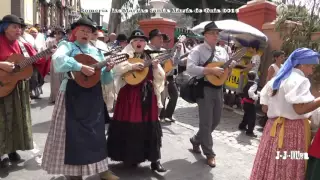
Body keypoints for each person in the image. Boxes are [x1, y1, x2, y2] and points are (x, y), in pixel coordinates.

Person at [41, 17, 119, 180]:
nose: (86, 33)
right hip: (71, 94)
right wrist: (79, 66)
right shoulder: (67, 46)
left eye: (89, 31)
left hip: (93, 96)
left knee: (95, 134)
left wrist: (107, 70)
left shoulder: (97, 51)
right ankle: (72, 173)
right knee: (72, 135)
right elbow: (58, 61)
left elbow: (105, 80)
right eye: (82, 30)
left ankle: (102, 168)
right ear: (75, 32)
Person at [250, 48, 320, 180]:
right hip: (292, 132)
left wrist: (280, 108)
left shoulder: (278, 78)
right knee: (288, 162)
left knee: (271, 161)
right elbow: (299, 109)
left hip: (272, 130)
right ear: (302, 65)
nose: (311, 71)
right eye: (311, 67)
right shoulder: (300, 80)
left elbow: (265, 108)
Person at [107, 29, 167, 172]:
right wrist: (131, 66)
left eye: (142, 40)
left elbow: (160, 76)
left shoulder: (150, 55)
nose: (139, 43)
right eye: (136, 40)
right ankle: (131, 156)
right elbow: (116, 70)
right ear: (132, 43)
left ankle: (155, 160)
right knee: (131, 125)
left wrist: (156, 66)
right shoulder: (124, 55)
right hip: (129, 95)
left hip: (148, 94)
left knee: (151, 126)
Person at [0, 14, 46, 168]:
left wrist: (47, 54)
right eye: (14, 26)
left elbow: (36, 59)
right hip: (2, 86)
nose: (18, 30)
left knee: (16, 120)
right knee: (2, 121)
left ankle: (12, 149)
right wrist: (2, 64)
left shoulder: (23, 44)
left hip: (18, 88)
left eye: (20, 27)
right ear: (5, 27)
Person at [187, 21, 234, 167]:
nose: (216, 35)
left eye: (217, 33)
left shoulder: (222, 51)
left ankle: (196, 139)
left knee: (216, 120)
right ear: (205, 35)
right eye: (213, 33)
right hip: (204, 88)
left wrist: (230, 67)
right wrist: (209, 70)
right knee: (206, 122)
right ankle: (209, 153)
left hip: (218, 88)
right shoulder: (198, 50)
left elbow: (225, 72)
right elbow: (190, 68)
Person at [146, 29, 181, 122]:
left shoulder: (164, 51)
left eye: (162, 38)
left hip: (162, 82)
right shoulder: (145, 50)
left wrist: (178, 52)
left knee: (160, 104)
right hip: (149, 83)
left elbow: (174, 64)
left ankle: (156, 122)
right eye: (159, 37)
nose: (161, 40)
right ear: (152, 39)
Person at [238, 71, 259, 137]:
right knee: (252, 118)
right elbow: (250, 92)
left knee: (246, 115)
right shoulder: (254, 84)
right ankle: (249, 131)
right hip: (250, 103)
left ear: (248, 77)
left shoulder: (247, 83)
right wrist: (255, 97)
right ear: (255, 77)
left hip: (245, 102)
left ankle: (242, 126)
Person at [48, 27, 65, 103]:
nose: (57, 35)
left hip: (61, 61)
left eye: (59, 33)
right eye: (56, 33)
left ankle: (60, 98)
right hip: (53, 61)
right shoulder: (51, 42)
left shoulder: (64, 42)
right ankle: (54, 97)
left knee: (60, 79)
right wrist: (51, 51)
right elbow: (47, 52)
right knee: (54, 80)